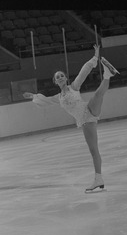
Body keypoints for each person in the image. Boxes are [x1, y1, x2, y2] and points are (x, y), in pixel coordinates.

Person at [23, 45, 119, 193]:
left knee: (97, 96)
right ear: (55, 82)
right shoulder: (58, 98)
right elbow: (45, 100)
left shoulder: (74, 87)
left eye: (62, 75)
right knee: (94, 150)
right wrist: (33, 96)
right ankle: (98, 178)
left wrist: (95, 57)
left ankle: (107, 74)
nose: (60, 77)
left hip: (89, 111)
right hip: (85, 121)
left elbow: (83, 72)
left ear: (66, 78)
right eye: (57, 77)